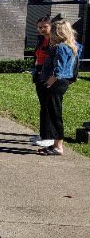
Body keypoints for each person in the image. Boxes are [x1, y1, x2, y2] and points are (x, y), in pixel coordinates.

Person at [37, 19, 80, 156]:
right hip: (62, 83)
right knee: (55, 113)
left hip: (55, 83)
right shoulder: (71, 46)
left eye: (53, 32)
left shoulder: (60, 47)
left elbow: (58, 69)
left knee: (55, 114)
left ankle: (58, 146)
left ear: (59, 33)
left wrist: (48, 83)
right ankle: (55, 144)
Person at [31, 16, 55, 147]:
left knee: (48, 106)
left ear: (51, 26)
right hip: (39, 74)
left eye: (45, 27)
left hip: (49, 76)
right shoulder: (41, 40)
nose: (42, 29)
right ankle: (43, 133)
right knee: (43, 106)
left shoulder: (54, 41)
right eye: (40, 27)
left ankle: (49, 136)